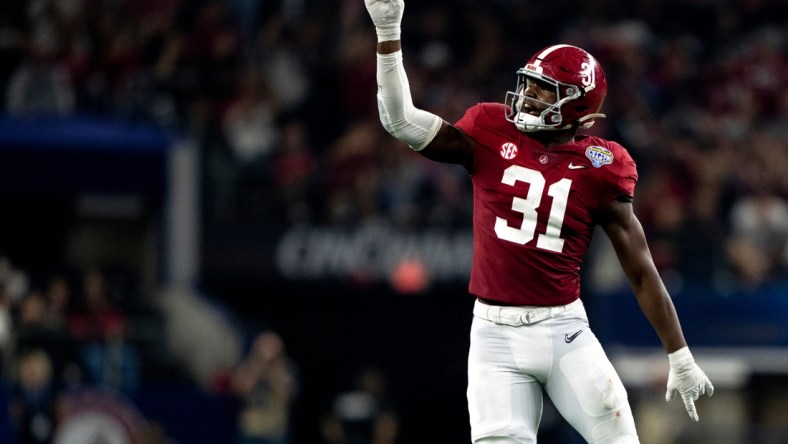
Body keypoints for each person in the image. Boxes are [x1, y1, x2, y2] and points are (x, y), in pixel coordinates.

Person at [362, 1, 714, 442]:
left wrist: (679, 355)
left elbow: (640, 268)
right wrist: (388, 31)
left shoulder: (602, 166)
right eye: (528, 84)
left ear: (577, 105)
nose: (528, 95)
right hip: (494, 334)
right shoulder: (490, 129)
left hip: (563, 330)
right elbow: (401, 121)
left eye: (544, 89)